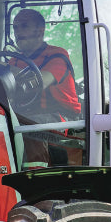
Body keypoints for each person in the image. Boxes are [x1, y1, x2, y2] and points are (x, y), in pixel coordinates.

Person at [9, 8, 83, 165]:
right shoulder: (15, 60)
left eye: (24, 26)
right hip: (23, 116)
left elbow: (39, 82)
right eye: (15, 27)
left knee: (26, 128)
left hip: (63, 118)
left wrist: (6, 69)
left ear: (39, 31)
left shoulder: (57, 56)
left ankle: (33, 173)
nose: (17, 32)